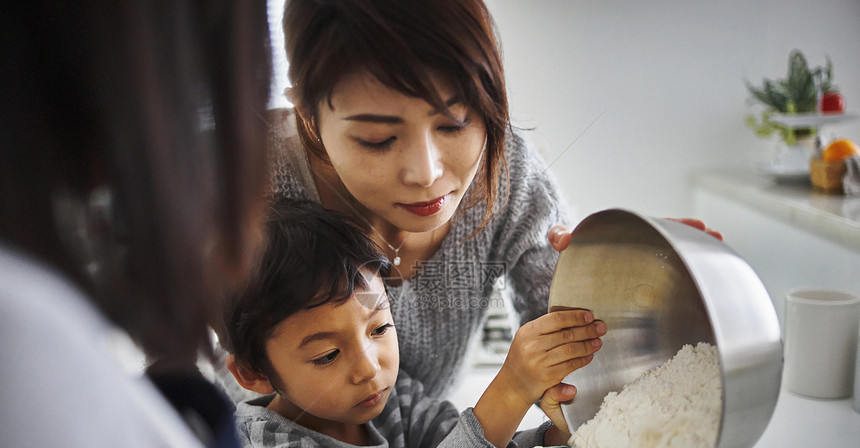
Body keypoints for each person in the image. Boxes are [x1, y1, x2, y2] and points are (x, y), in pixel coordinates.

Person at [0, 2, 493, 448]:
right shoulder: (29, 357)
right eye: (378, 138)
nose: (424, 171)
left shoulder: (395, 401)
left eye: (380, 327)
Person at [256, 0, 720, 403]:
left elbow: (573, 354)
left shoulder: (511, 176)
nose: (426, 173)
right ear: (307, 114)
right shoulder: (251, 179)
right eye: (377, 139)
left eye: (455, 123)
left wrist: (634, 293)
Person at [217, 197, 604, 448]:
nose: (369, 368)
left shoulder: (394, 399)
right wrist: (512, 389)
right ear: (253, 374)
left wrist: (556, 434)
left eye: (380, 329)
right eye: (328, 355)